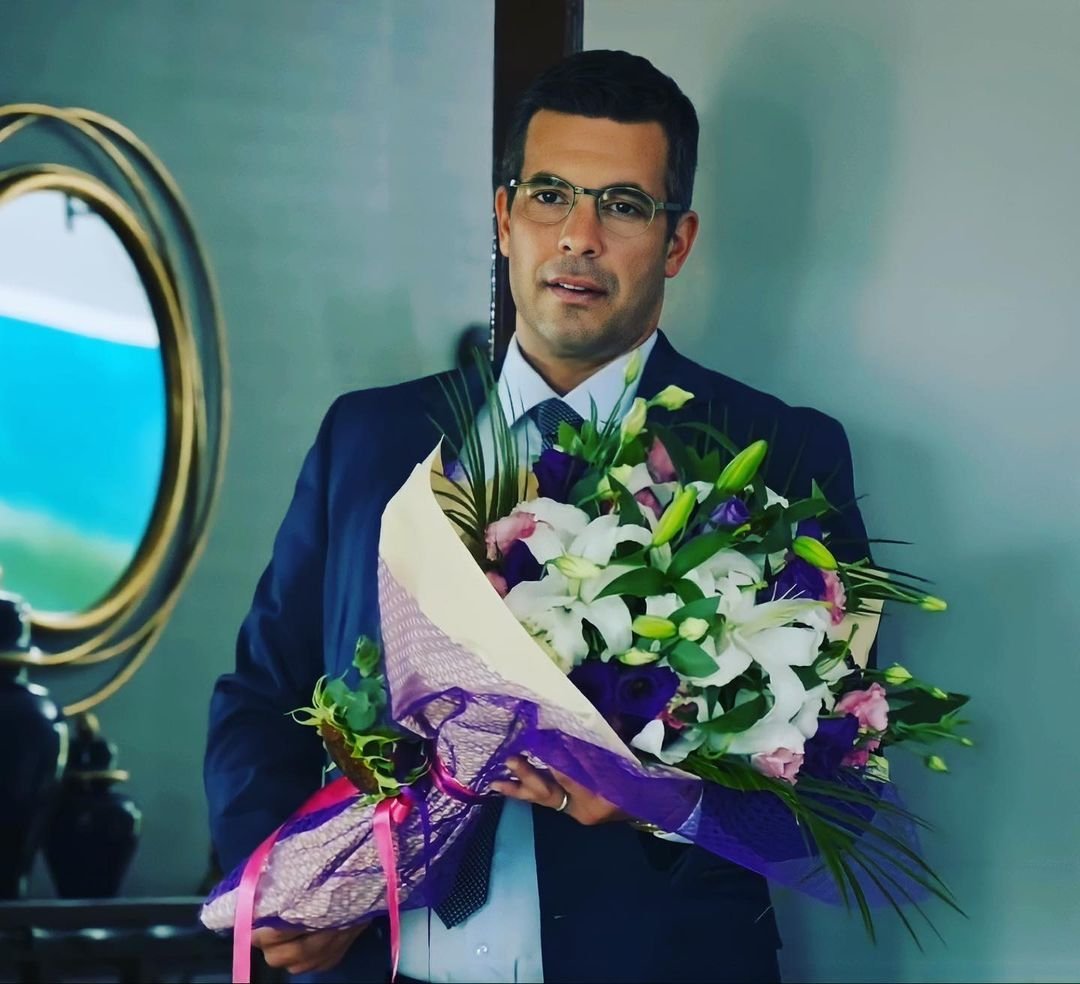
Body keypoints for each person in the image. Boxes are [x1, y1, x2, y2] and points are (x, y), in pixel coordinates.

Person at [204, 49, 871, 983]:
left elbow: (841, 790)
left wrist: (659, 802)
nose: (578, 236)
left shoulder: (782, 454)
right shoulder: (367, 437)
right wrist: (284, 887)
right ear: (504, 217)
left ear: (677, 242)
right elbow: (262, 696)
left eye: (623, 205)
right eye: (550, 195)